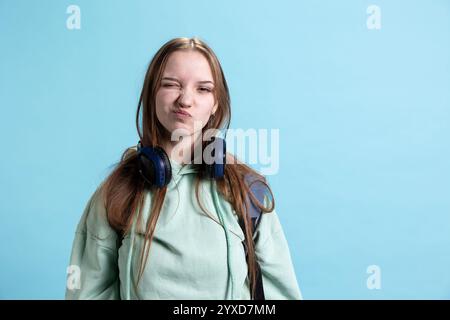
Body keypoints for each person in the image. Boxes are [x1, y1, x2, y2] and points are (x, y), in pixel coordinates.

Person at [65, 37, 302, 300]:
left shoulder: (247, 191)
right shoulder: (116, 192)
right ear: (151, 94)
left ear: (216, 104)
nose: (185, 100)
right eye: (171, 85)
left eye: (203, 89)